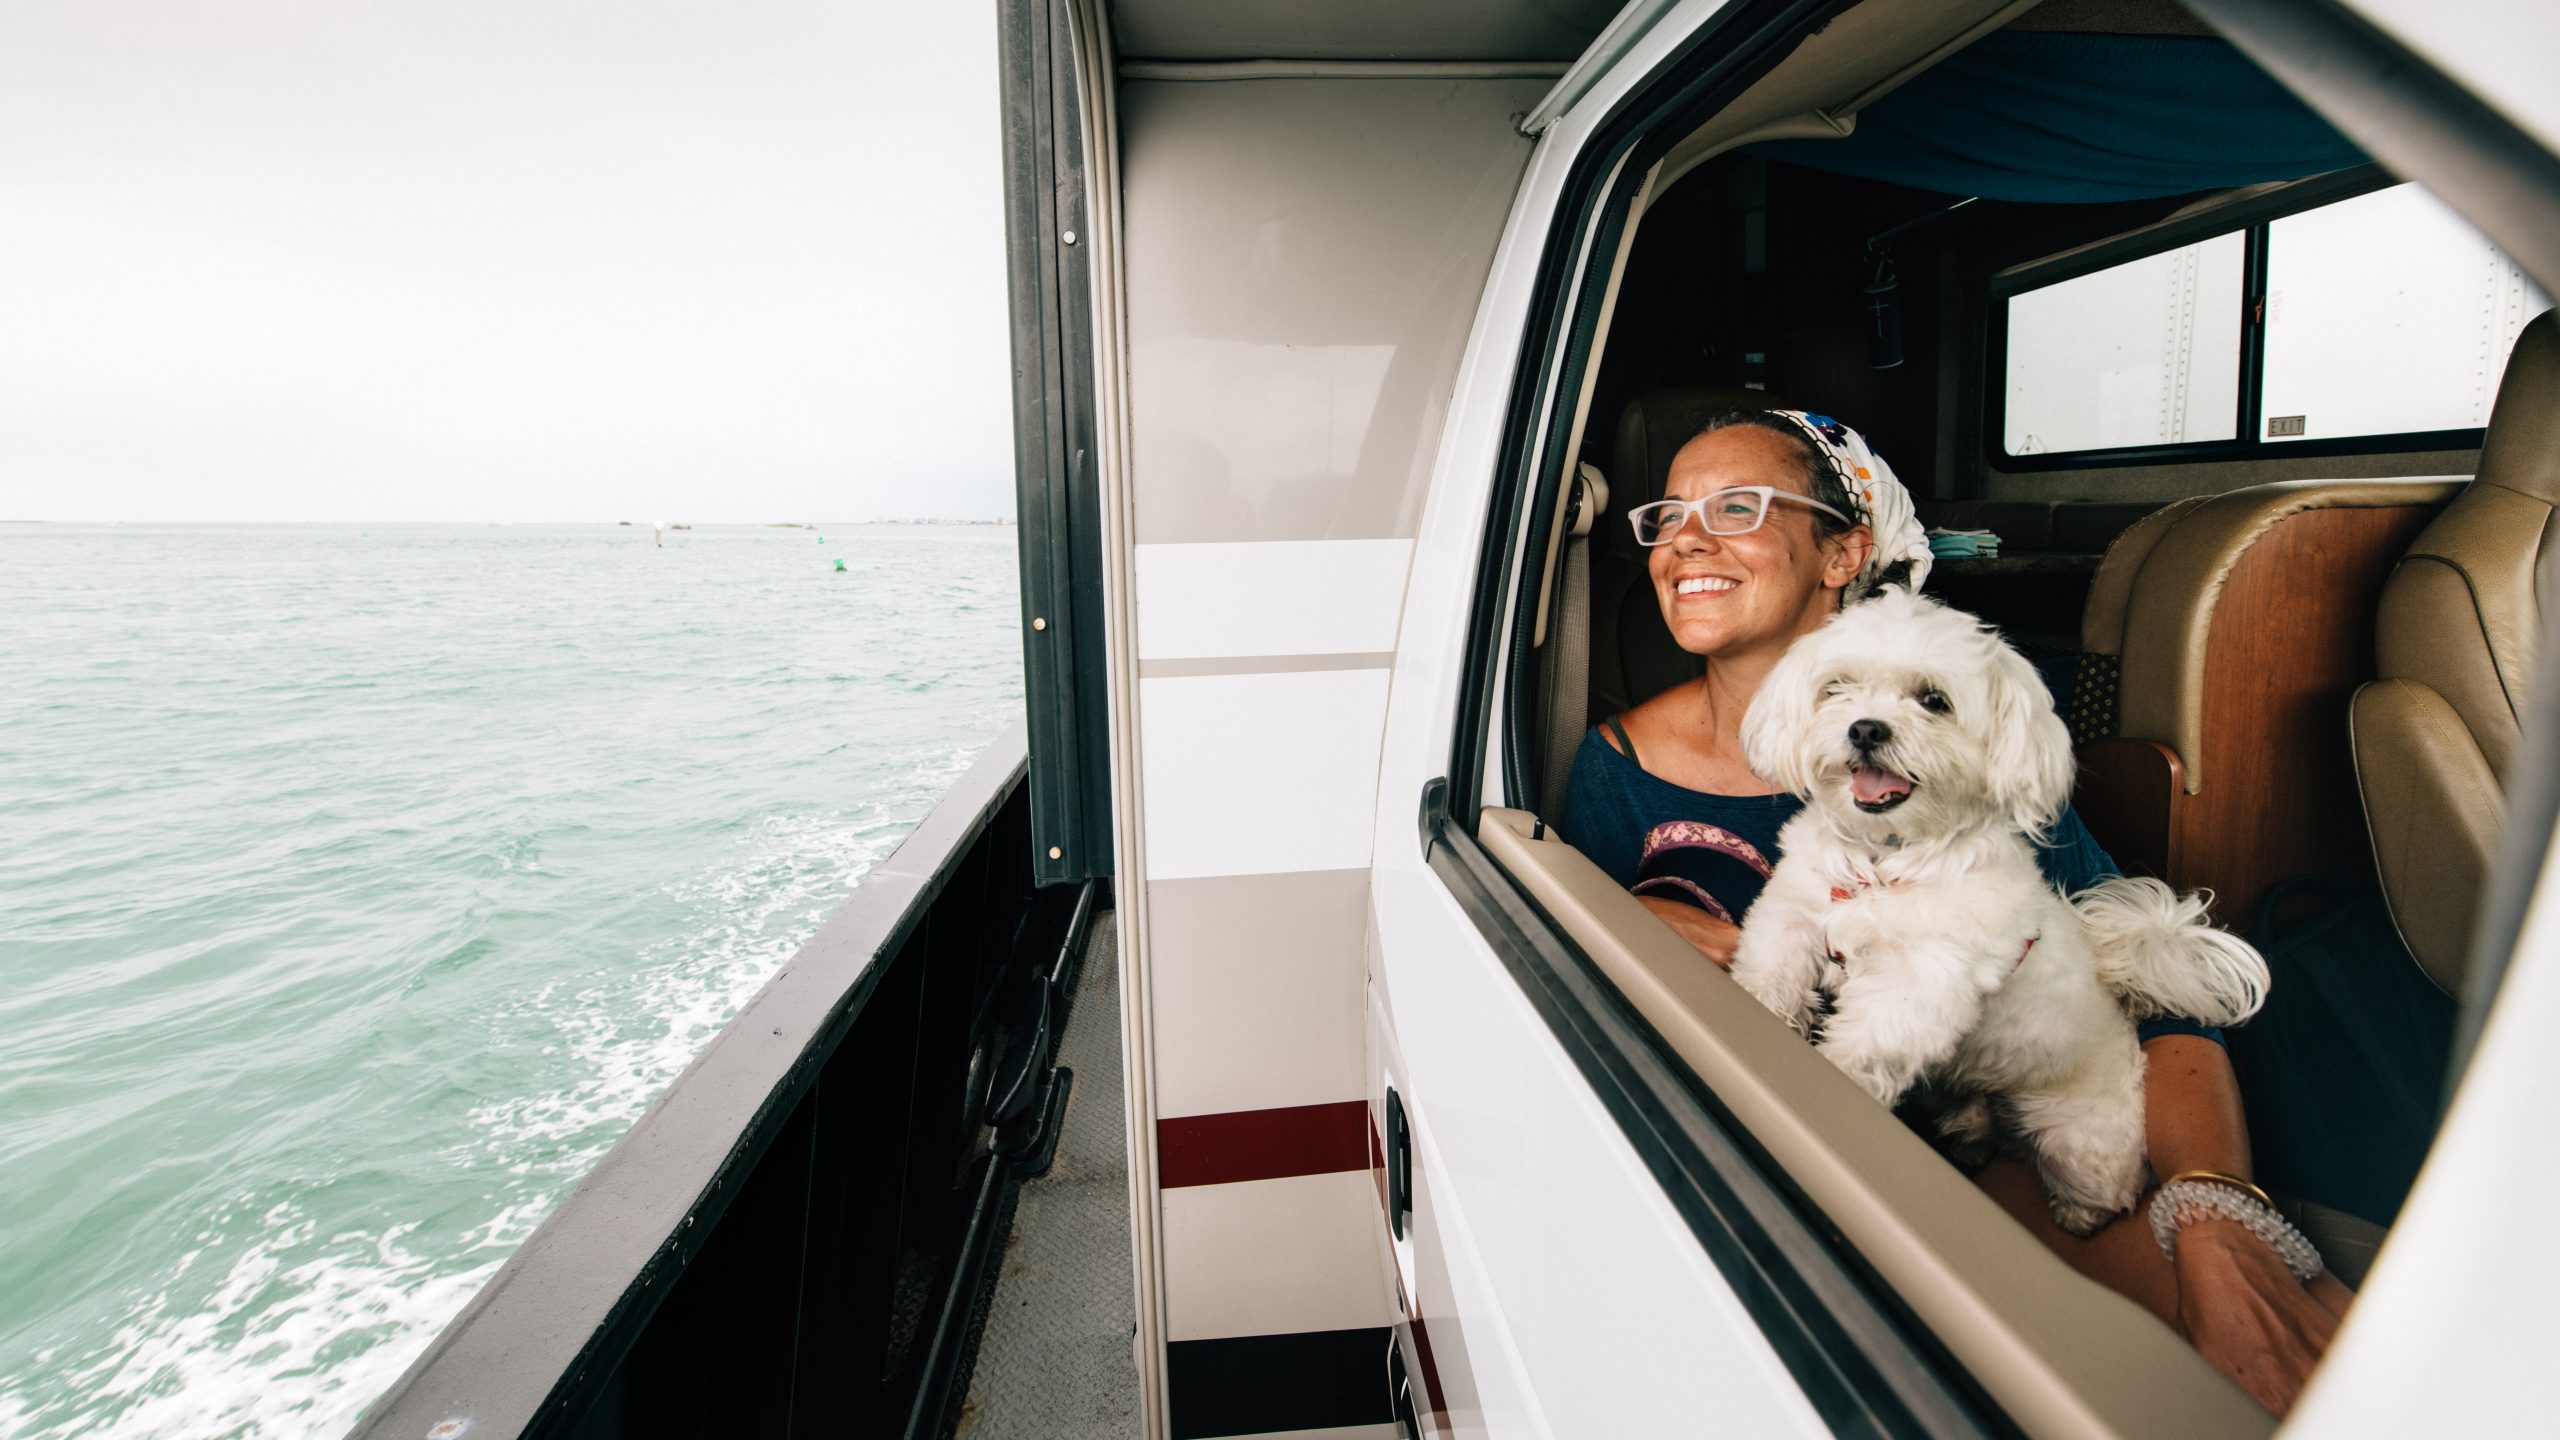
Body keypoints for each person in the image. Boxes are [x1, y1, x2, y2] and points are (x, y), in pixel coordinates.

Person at [1556, 409, 2353, 1417]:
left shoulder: (1973, 751)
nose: (1685, 540)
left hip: (2009, 1136)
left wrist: (2216, 1220)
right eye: (1668, 514)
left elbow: (2153, 1007)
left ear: (1843, 551)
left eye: (1738, 507)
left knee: (2283, 1376)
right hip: (1780, 1164)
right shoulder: (1612, 773)